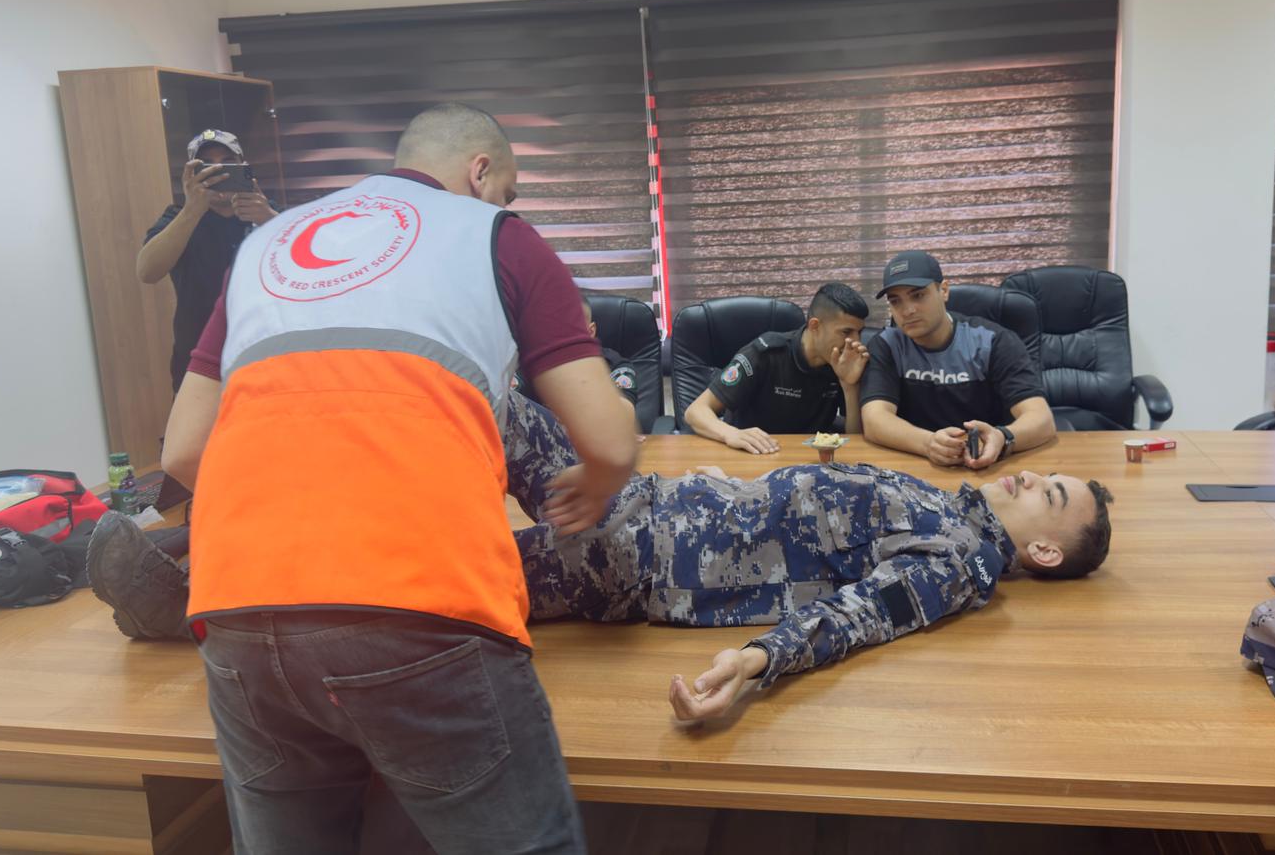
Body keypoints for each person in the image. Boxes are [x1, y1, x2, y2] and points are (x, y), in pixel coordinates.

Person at [176, 103, 637, 855]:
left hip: (236, 604)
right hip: (418, 597)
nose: (507, 204)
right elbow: (611, 440)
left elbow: (183, 453)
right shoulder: (495, 235)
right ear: (480, 172)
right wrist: (595, 480)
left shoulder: (266, 243)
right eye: (508, 189)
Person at [92, 390, 1114, 728]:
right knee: (472, 410)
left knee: (413, 568)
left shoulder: (957, 563)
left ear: (1040, 550)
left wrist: (756, 664)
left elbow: (859, 618)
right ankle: (207, 539)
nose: (1037, 477)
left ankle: (186, 591)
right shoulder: (950, 502)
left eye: (1053, 496)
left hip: (633, 560)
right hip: (646, 512)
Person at [860, 250, 1056, 469]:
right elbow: (875, 420)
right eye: (896, 301)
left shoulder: (992, 341)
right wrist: (928, 444)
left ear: (943, 290)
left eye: (918, 295)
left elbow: (1041, 419)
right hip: (917, 465)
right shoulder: (887, 344)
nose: (907, 310)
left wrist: (1002, 437)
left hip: (988, 466)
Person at [136, 130, 278, 390]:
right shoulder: (179, 218)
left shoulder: (269, 214)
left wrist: (268, 219)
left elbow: (313, 272)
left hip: (265, 357)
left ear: (243, 167)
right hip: (199, 365)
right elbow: (147, 271)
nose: (217, 171)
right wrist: (192, 210)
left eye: (227, 163)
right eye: (206, 166)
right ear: (191, 174)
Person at [683, 283, 872, 454]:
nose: (856, 341)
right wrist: (731, 434)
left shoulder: (845, 362)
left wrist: (850, 387)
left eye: (859, 332)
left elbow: (855, 441)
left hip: (809, 460)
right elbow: (696, 411)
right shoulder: (766, 353)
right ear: (815, 326)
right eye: (846, 332)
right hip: (753, 455)